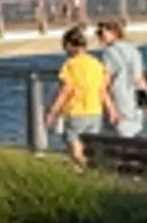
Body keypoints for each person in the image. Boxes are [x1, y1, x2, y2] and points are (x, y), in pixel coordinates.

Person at [44, 27, 115, 171]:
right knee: (90, 147)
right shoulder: (96, 64)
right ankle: (88, 170)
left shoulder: (70, 65)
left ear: (70, 45)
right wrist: (111, 110)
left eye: (65, 46)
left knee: (75, 149)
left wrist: (52, 112)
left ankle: (86, 169)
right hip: (95, 111)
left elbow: (66, 90)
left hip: (75, 111)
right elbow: (102, 90)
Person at [96, 20, 147, 139]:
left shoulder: (109, 53)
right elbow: (139, 81)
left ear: (113, 32)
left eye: (101, 33)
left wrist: (111, 110)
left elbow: (103, 85)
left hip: (120, 99)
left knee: (122, 137)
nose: (100, 36)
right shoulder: (134, 51)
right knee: (140, 135)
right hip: (136, 103)